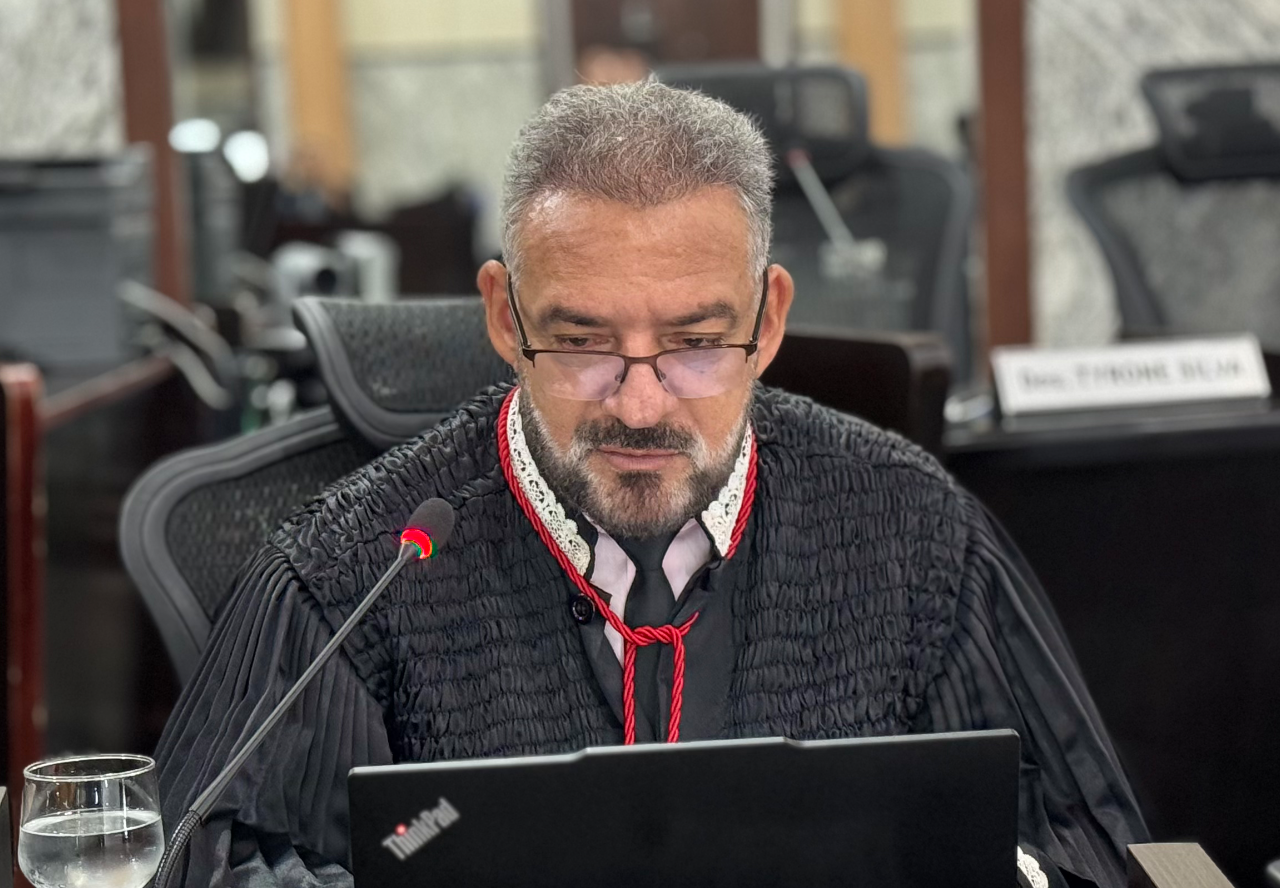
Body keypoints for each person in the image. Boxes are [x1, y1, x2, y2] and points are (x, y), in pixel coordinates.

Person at [157, 79, 1147, 887]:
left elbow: (1090, 849)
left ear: (767, 318)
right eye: (584, 343)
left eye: (694, 343)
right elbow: (202, 861)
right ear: (503, 316)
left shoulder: (914, 530)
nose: (637, 406)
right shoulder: (351, 573)